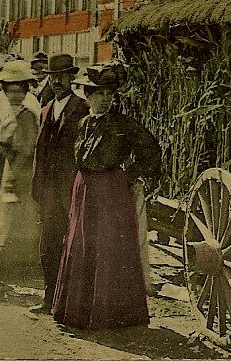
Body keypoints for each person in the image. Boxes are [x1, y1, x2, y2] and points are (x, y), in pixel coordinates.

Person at [52, 61, 161, 329]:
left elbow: (151, 150)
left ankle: (111, 315)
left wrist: (131, 175)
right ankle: (78, 312)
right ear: (87, 96)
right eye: (99, 94)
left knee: (109, 249)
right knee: (82, 245)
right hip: (84, 190)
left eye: (109, 94)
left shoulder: (124, 124)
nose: (105, 99)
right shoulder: (83, 123)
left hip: (110, 191)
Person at [30, 54, 89, 312]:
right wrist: (38, 186)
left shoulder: (82, 108)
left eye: (63, 77)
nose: (57, 81)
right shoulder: (45, 110)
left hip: (72, 187)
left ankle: (73, 301)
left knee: (76, 243)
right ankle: (49, 295)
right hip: (50, 190)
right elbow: (40, 151)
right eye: (53, 77)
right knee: (48, 244)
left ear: (71, 78)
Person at [0, 61, 40, 267]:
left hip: (24, 165)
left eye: (20, 91)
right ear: (5, 91)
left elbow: (31, 141)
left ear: (26, 91)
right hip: (5, 162)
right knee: (4, 207)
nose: (16, 95)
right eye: (12, 91)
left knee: (23, 207)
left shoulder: (29, 112)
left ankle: (23, 255)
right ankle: (1, 253)